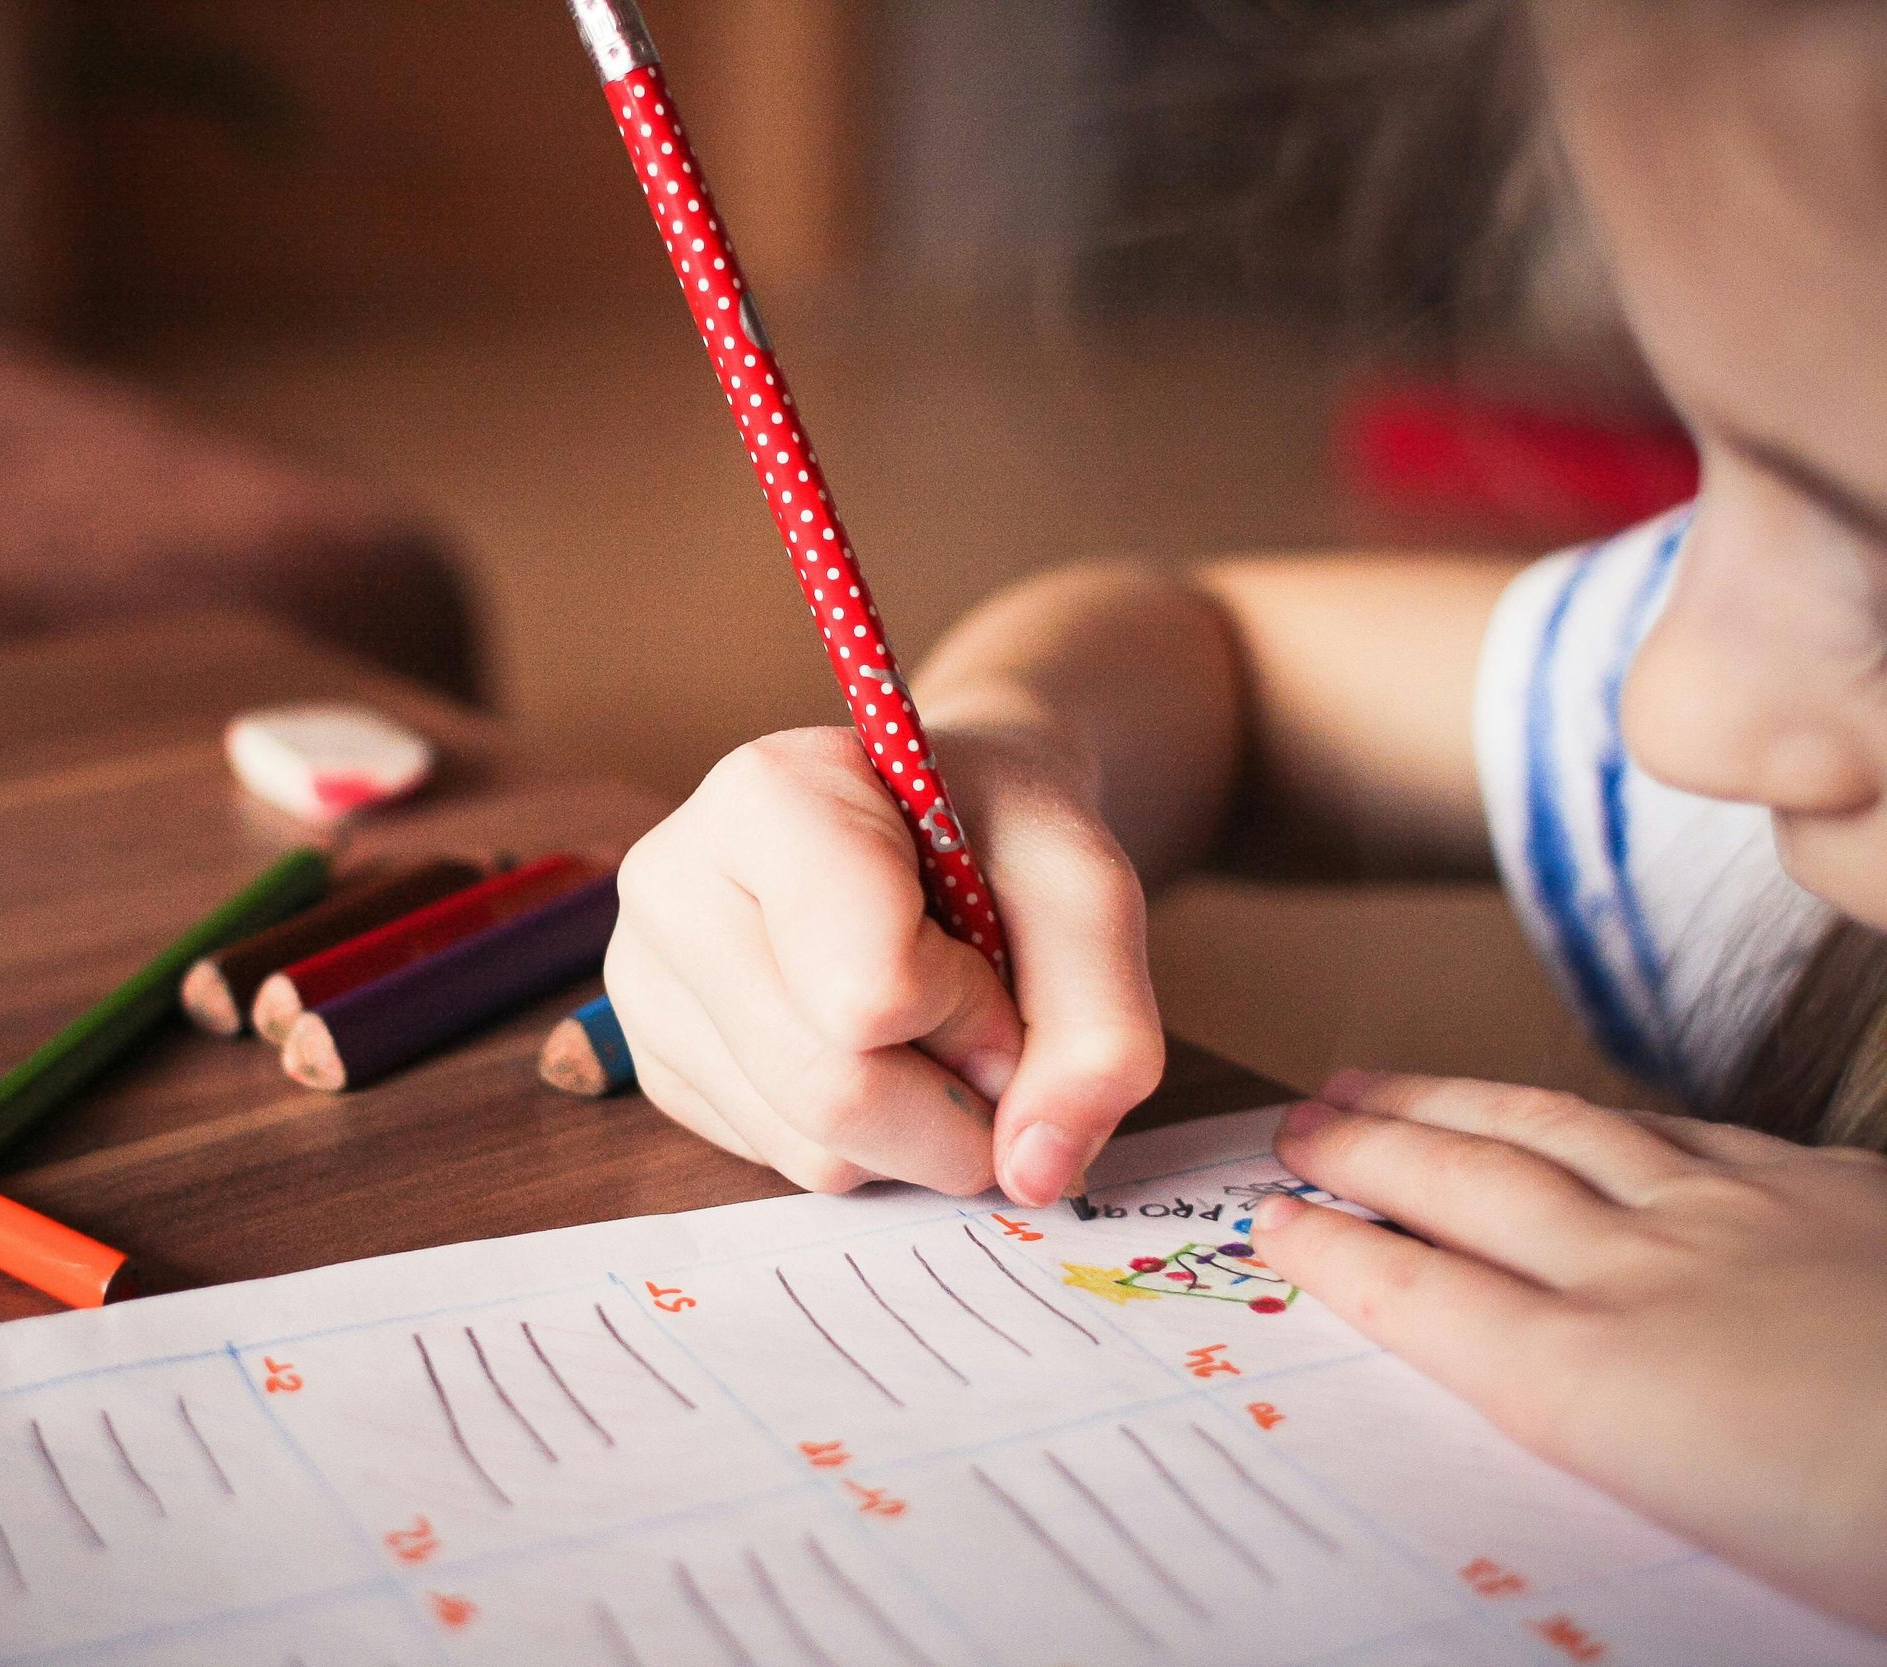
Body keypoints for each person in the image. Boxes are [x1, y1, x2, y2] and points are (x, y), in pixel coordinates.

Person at [603, 0, 1887, 1632]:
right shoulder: (1776, 761)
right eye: (1707, 469)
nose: (1666, 705)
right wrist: (1013, 754)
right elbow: (1222, 662)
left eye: (1871, 559)